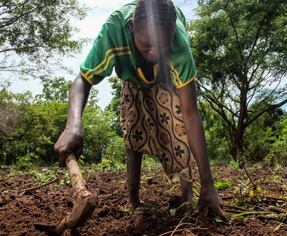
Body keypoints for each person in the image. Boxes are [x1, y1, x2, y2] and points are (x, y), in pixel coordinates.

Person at [54, 0, 224, 217]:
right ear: (132, 26)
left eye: (163, 45)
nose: (155, 51)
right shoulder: (114, 29)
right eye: (147, 44)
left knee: (177, 125)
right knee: (134, 128)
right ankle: (134, 200)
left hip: (166, 77)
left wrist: (208, 184)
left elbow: (190, 113)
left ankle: (187, 198)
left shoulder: (178, 46)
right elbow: (84, 79)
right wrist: (73, 125)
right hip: (131, 77)